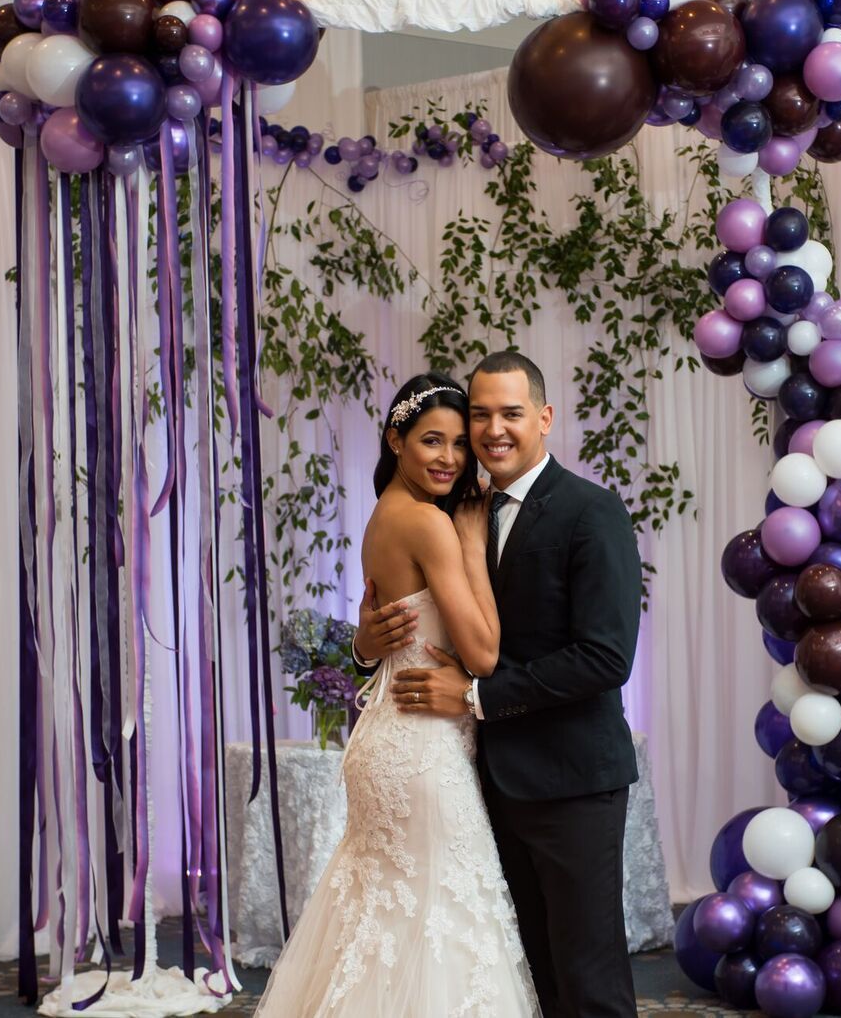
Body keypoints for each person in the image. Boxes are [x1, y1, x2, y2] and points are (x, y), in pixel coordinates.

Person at [357, 352, 643, 1018]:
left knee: (588, 974)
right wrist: (365, 643)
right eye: (479, 415)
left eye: (510, 414)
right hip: (485, 780)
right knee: (526, 972)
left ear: (543, 418)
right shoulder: (456, 507)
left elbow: (606, 657)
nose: (492, 431)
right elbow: (406, 617)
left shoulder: (590, 511)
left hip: (572, 779)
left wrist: (479, 697)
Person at [255, 373, 539, 1018]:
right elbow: (484, 654)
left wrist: (364, 645)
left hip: (389, 736)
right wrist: (469, 540)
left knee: (381, 920)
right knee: (440, 919)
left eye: (460, 444)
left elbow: (392, 636)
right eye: (432, 441)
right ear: (396, 439)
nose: (450, 458)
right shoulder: (432, 525)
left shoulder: (383, 513)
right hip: (421, 748)